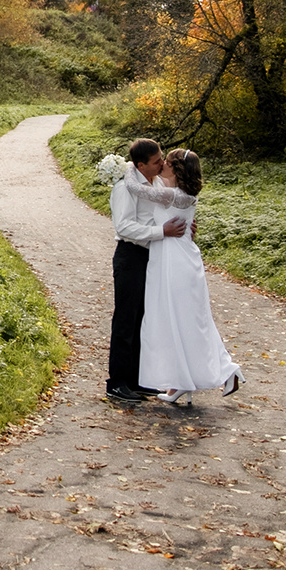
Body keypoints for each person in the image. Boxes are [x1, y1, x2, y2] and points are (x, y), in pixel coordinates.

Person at [135, 148, 241, 407]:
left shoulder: (176, 196)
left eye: (167, 162)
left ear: (176, 168)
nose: (161, 165)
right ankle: (181, 383)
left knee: (183, 320)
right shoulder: (171, 190)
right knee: (177, 321)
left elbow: (139, 189)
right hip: (168, 259)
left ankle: (224, 371)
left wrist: (126, 169)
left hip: (178, 262)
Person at [105, 137, 187, 403]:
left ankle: (136, 380)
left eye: (161, 157)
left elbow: (169, 209)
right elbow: (124, 227)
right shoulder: (124, 189)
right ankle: (116, 383)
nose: (162, 163)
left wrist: (184, 227)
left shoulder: (157, 182)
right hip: (130, 256)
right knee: (126, 320)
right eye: (156, 161)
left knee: (143, 319)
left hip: (152, 256)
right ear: (140, 165)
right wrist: (160, 232)